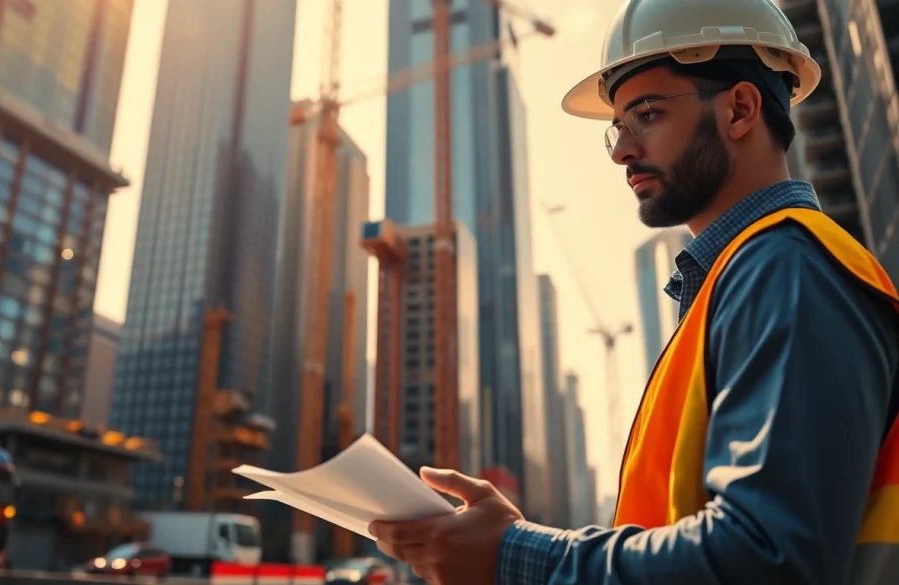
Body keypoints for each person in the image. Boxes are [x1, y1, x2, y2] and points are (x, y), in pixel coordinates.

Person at [368, 0, 899, 583]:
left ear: (740, 109)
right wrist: (514, 544)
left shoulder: (786, 269)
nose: (622, 150)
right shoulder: (744, 279)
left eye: (646, 114)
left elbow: (767, 558)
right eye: (618, 127)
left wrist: (515, 556)